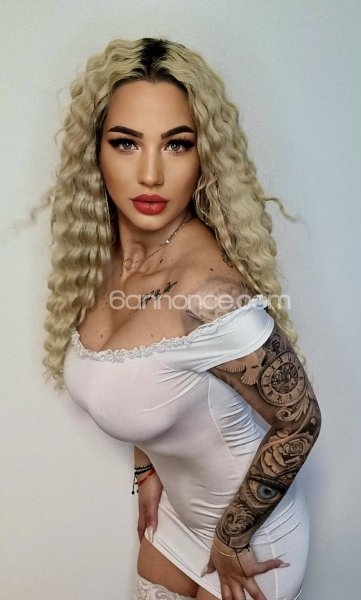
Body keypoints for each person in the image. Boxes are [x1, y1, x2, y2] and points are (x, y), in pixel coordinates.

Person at [40, 37, 321, 600]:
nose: (150, 174)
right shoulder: (103, 262)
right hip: (176, 515)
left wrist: (232, 538)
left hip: (252, 540)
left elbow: (301, 422)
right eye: (126, 142)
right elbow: (141, 376)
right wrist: (146, 469)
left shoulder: (209, 295)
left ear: (203, 156)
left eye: (176, 144)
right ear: (95, 152)